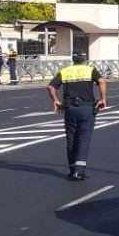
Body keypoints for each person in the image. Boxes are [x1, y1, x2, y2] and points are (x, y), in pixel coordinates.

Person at [46, 52, 107, 181]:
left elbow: (50, 87)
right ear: (84, 59)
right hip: (87, 109)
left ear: (73, 59)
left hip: (70, 109)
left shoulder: (65, 71)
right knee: (83, 138)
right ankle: (79, 171)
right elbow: (102, 82)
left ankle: (72, 169)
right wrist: (103, 99)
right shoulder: (90, 70)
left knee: (71, 138)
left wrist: (56, 101)